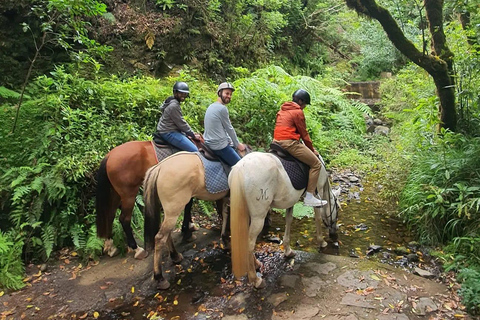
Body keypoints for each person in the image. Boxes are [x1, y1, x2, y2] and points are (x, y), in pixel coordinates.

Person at [273, 89, 327, 207]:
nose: (304, 107)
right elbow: (304, 134)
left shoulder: (282, 110)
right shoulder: (297, 112)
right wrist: (312, 150)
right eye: (305, 105)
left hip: (276, 142)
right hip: (289, 143)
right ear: (300, 101)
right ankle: (309, 196)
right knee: (316, 164)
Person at [203, 82, 246, 166]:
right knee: (240, 166)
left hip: (208, 142)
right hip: (219, 146)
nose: (229, 96)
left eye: (230, 94)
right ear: (219, 93)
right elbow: (229, 128)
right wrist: (237, 144)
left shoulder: (211, 106)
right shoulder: (222, 109)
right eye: (227, 93)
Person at [154, 81, 199, 152]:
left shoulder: (171, 101)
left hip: (167, 128)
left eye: (185, 94)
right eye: (181, 93)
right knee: (194, 150)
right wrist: (192, 134)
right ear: (175, 93)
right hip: (168, 131)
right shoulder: (174, 106)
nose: (183, 96)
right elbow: (181, 123)